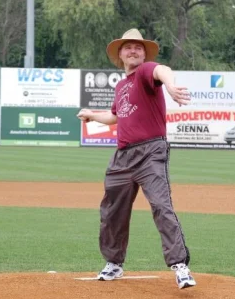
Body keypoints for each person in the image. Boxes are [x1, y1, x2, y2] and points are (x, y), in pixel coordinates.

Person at [77, 28, 196, 289]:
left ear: (144, 55)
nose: (134, 50)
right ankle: (114, 263)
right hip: (122, 156)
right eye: (128, 47)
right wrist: (91, 114)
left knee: (161, 206)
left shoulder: (145, 72)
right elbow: (115, 117)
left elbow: (160, 70)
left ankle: (180, 267)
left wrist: (171, 85)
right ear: (120, 55)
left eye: (138, 47)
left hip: (150, 151)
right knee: (111, 212)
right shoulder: (121, 86)